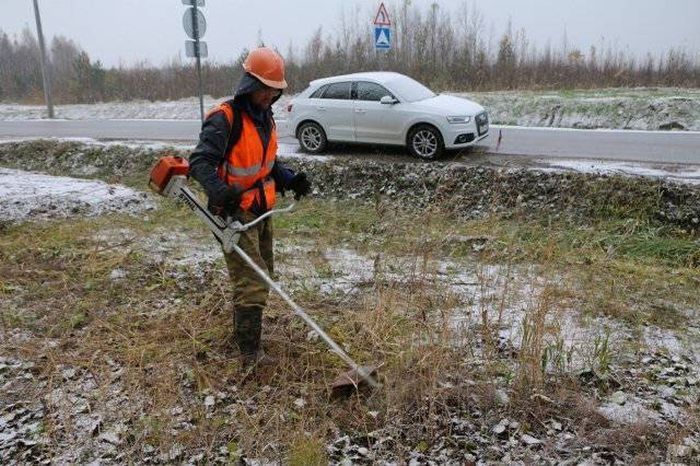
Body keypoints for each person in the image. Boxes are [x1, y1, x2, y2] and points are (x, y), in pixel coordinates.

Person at [188, 47, 311, 366]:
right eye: (267, 88)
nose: (272, 95)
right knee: (252, 281)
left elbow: (263, 162)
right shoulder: (224, 118)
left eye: (276, 89)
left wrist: (289, 178)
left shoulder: (264, 117)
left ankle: (244, 333)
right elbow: (200, 163)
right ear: (250, 84)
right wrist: (220, 192)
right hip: (233, 215)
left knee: (262, 275)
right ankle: (249, 355)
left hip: (261, 209)